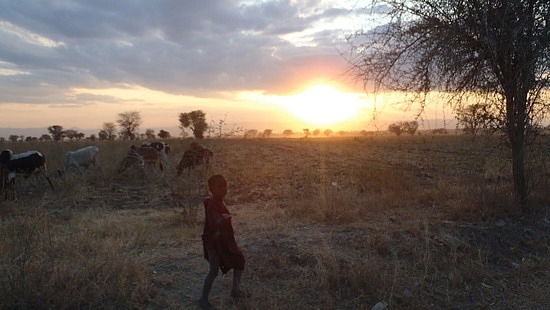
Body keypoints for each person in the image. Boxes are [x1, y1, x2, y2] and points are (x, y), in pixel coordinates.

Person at [198, 175, 248, 309]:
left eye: (224, 186)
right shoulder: (211, 204)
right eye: (219, 187)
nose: (223, 189)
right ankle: (203, 299)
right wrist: (222, 219)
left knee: (239, 260)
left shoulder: (219, 201)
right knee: (213, 271)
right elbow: (214, 221)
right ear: (211, 189)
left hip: (223, 241)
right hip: (214, 244)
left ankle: (235, 290)